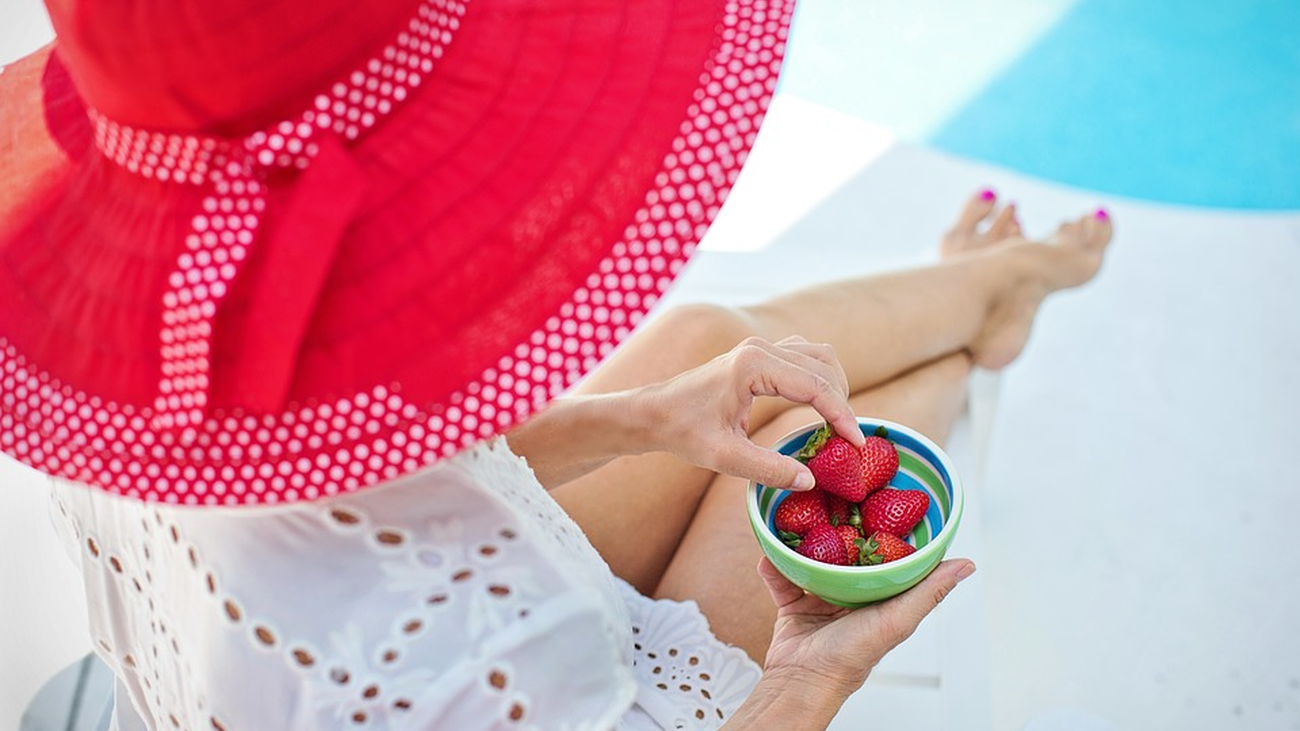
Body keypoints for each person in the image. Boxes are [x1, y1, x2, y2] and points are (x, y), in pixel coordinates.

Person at [0, 0, 1112, 729]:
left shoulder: (120, 372)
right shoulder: (481, 647)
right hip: (551, 683)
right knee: (839, 434)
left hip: (365, 628)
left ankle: (986, 293)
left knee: (709, 346)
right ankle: (981, 319)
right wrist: (812, 674)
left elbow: (368, 477)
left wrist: (640, 420)